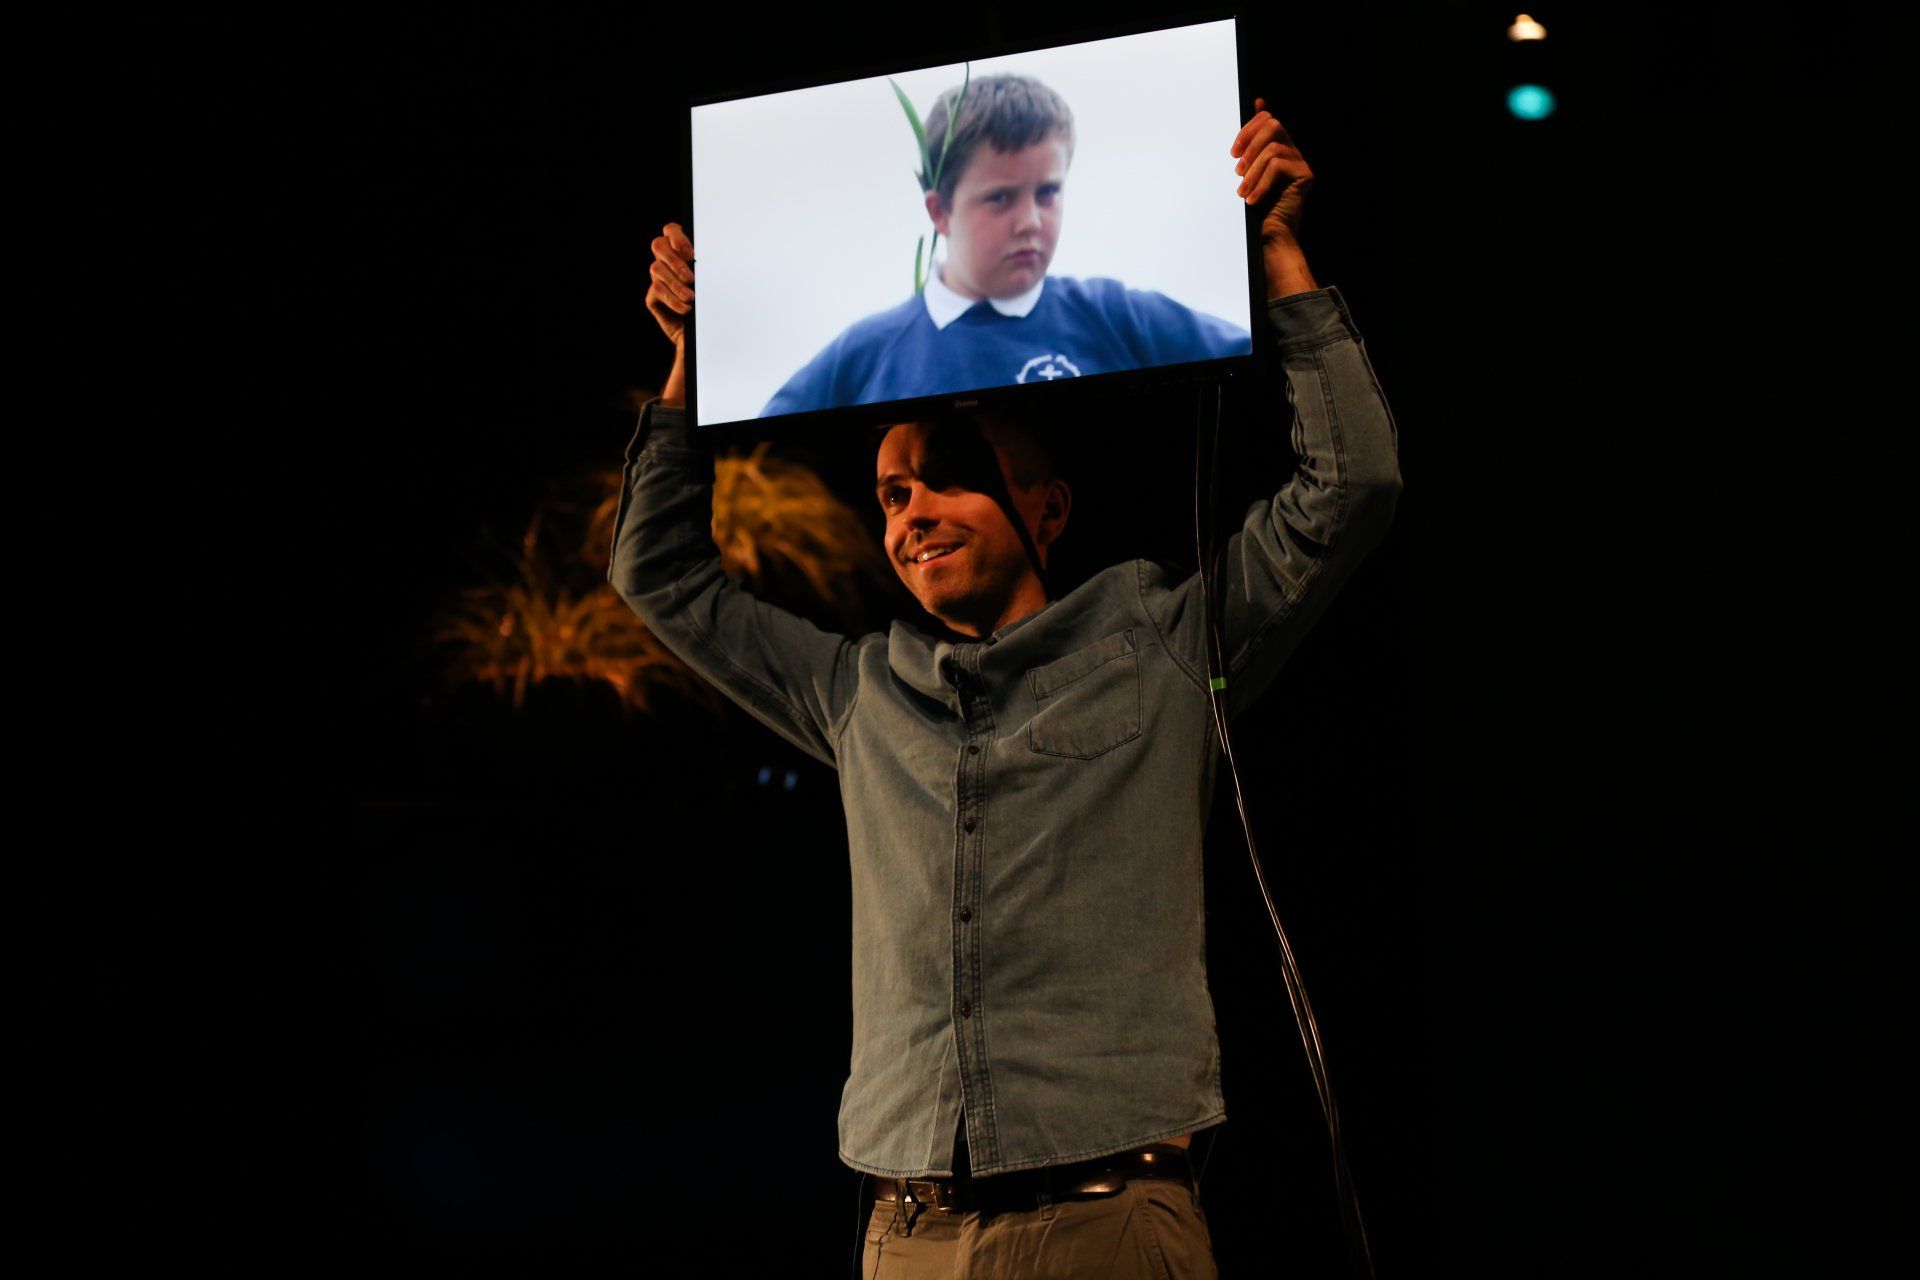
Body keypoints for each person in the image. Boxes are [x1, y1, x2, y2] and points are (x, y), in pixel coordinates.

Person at [623, 100, 1401, 1279]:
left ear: (1046, 509)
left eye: (950, 477)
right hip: (906, 1230)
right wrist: (691, 360)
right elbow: (660, 574)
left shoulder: (1160, 635)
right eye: (889, 494)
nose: (913, 510)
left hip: (1104, 1223)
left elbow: (1351, 483)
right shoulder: (861, 691)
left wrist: (1281, 258)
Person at [758, 73, 1254, 419]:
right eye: (1000, 198)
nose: (1030, 222)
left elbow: (1268, 362)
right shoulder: (864, 356)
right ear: (939, 211)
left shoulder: (1121, 316)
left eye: (1048, 192)